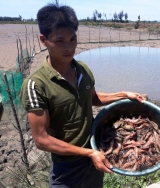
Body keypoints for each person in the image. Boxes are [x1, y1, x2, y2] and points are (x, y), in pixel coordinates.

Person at [20, 1, 145, 187]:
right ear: (43, 40)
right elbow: (41, 139)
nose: (69, 48)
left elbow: (93, 98)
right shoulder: (35, 84)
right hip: (67, 168)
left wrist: (124, 94)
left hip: (95, 155)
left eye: (73, 39)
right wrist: (87, 153)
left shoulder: (82, 70)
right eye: (60, 41)